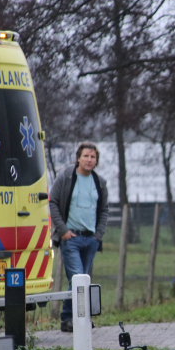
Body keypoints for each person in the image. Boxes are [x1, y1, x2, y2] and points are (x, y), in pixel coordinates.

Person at [49, 142, 109, 332]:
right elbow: (53, 203)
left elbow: (105, 209)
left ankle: (73, 318)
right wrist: (63, 230)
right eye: (86, 156)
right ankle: (73, 319)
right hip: (71, 238)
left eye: (93, 157)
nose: (89, 160)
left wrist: (98, 235)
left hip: (90, 239)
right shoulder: (66, 177)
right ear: (78, 158)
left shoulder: (100, 182)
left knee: (84, 280)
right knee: (77, 278)